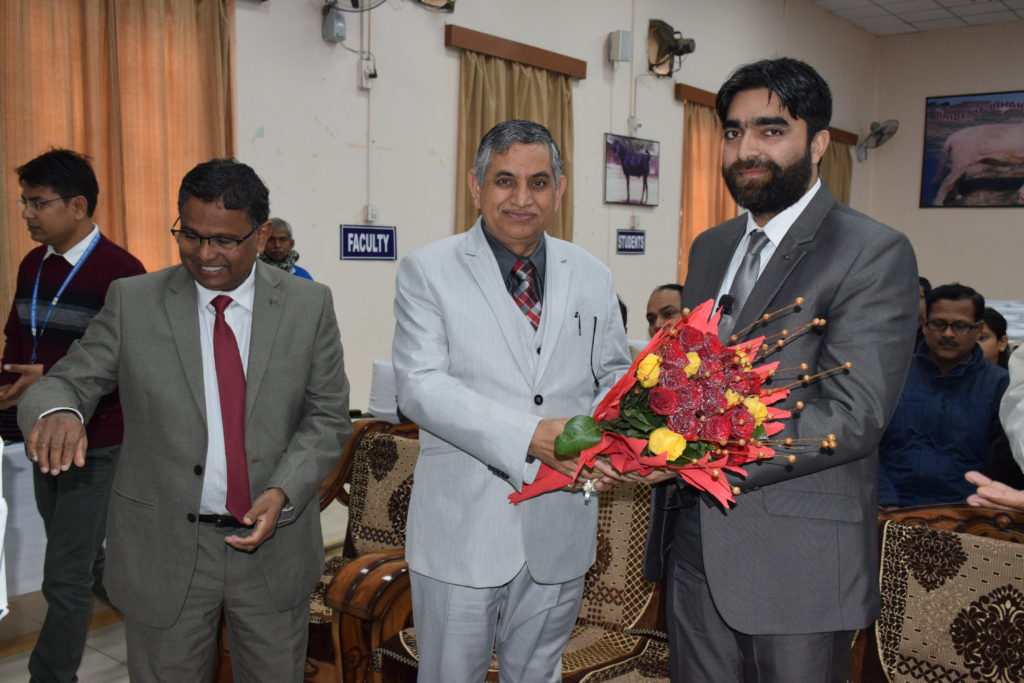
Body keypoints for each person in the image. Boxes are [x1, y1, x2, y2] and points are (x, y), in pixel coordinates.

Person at [18, 159, 351, 682]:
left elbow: (327, 416)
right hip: (164, 552)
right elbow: (67, 381)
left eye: (224, 240)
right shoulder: (134, 301)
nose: (204, 254)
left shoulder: (308, 305)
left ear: (262, 234)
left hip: (272, 549)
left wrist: (284, 489)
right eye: (190, 235)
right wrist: (59, 410)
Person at [640, 58, 919, 682]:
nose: (747, 150)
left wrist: (696, 452)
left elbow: (853, 414)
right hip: (693, 545)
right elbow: (693, 381)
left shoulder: (871, 250)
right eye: (733, 132)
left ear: (818, 143)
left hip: (799, 561)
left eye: (771, 130)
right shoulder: (711, 247)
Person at [392, 119, 631, 682]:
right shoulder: (428, 270)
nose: (522, 199)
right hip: (462, 528)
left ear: (560, 189)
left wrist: (606, 442)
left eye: (538, 182)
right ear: (476, 186)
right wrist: (529, 436)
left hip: (561, 519)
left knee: (539, 674)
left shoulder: (592, 274)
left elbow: (616, 376)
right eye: (505, 181)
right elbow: (420, 385)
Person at [0, 148, 146, 683]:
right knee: (85, 560)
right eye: (24, 201)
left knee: (64, 574)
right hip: (42, 438)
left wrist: (51, 376)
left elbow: (131, 364)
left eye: (38, 202)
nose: (26, 213)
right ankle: (160, 618)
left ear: (78, 206)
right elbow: (18, 343)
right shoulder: (32, 265)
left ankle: (50, 676)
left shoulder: (123, 273)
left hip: (97, 443)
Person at [877, 284, 1008, 507]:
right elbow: (869, 448)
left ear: (978, 330)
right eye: (939, 324)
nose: (948, 334)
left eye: (960, 326)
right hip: (891, 508)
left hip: (969, 512)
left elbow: (1003, 463)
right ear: (924, 325)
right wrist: (886, 502)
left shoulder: (1000, 385)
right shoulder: (893, 375)